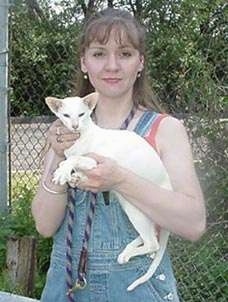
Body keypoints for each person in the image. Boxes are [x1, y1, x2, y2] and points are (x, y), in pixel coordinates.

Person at [32, 7, 206, 302]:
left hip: (136, 290)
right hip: (67, 288)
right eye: (99, 54)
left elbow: (193, 224)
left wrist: (120, 179)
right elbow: (45, 225)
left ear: (140, 63)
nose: (112, 65)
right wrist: (60, 157)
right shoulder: (64, 130)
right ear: (84, 63)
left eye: (124, 53)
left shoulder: (165, 130)